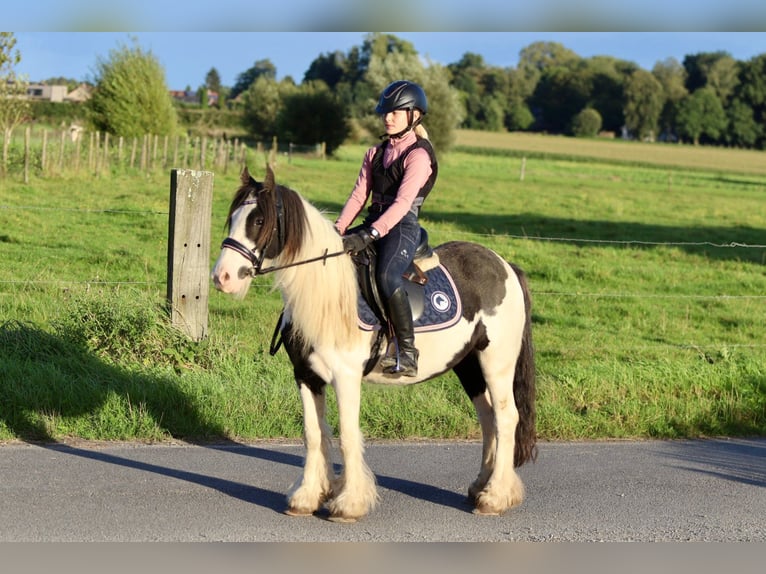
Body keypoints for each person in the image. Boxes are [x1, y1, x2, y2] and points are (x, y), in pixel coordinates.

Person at [335, 80, 438, 377]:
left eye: (395, 112)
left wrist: (370, 234)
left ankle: (407, 351)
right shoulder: (374, 153)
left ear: (414, 115)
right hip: (374, 221)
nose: (387, 117)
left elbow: (403, 203)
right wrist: (339, 229)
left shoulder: (419, 155)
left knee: (386, 274)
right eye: (385, 112)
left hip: (401, 226)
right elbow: (358, 196)